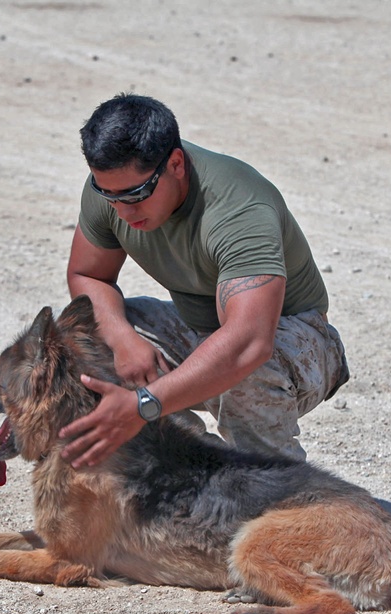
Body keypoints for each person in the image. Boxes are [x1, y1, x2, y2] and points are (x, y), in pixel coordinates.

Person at [59, 93, 348, 468]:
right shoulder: (117, 184)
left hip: (294, 344)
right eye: (108, 195)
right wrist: (121, 338)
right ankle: (191, 466)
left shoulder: (239, 210)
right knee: (88, 334)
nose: (123, 211)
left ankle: (279, 485)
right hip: (207, 332)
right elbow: (87, 275)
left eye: (136, 195)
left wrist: (143, 403)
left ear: (176, 164)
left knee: (244, 371)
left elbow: (249, 343)